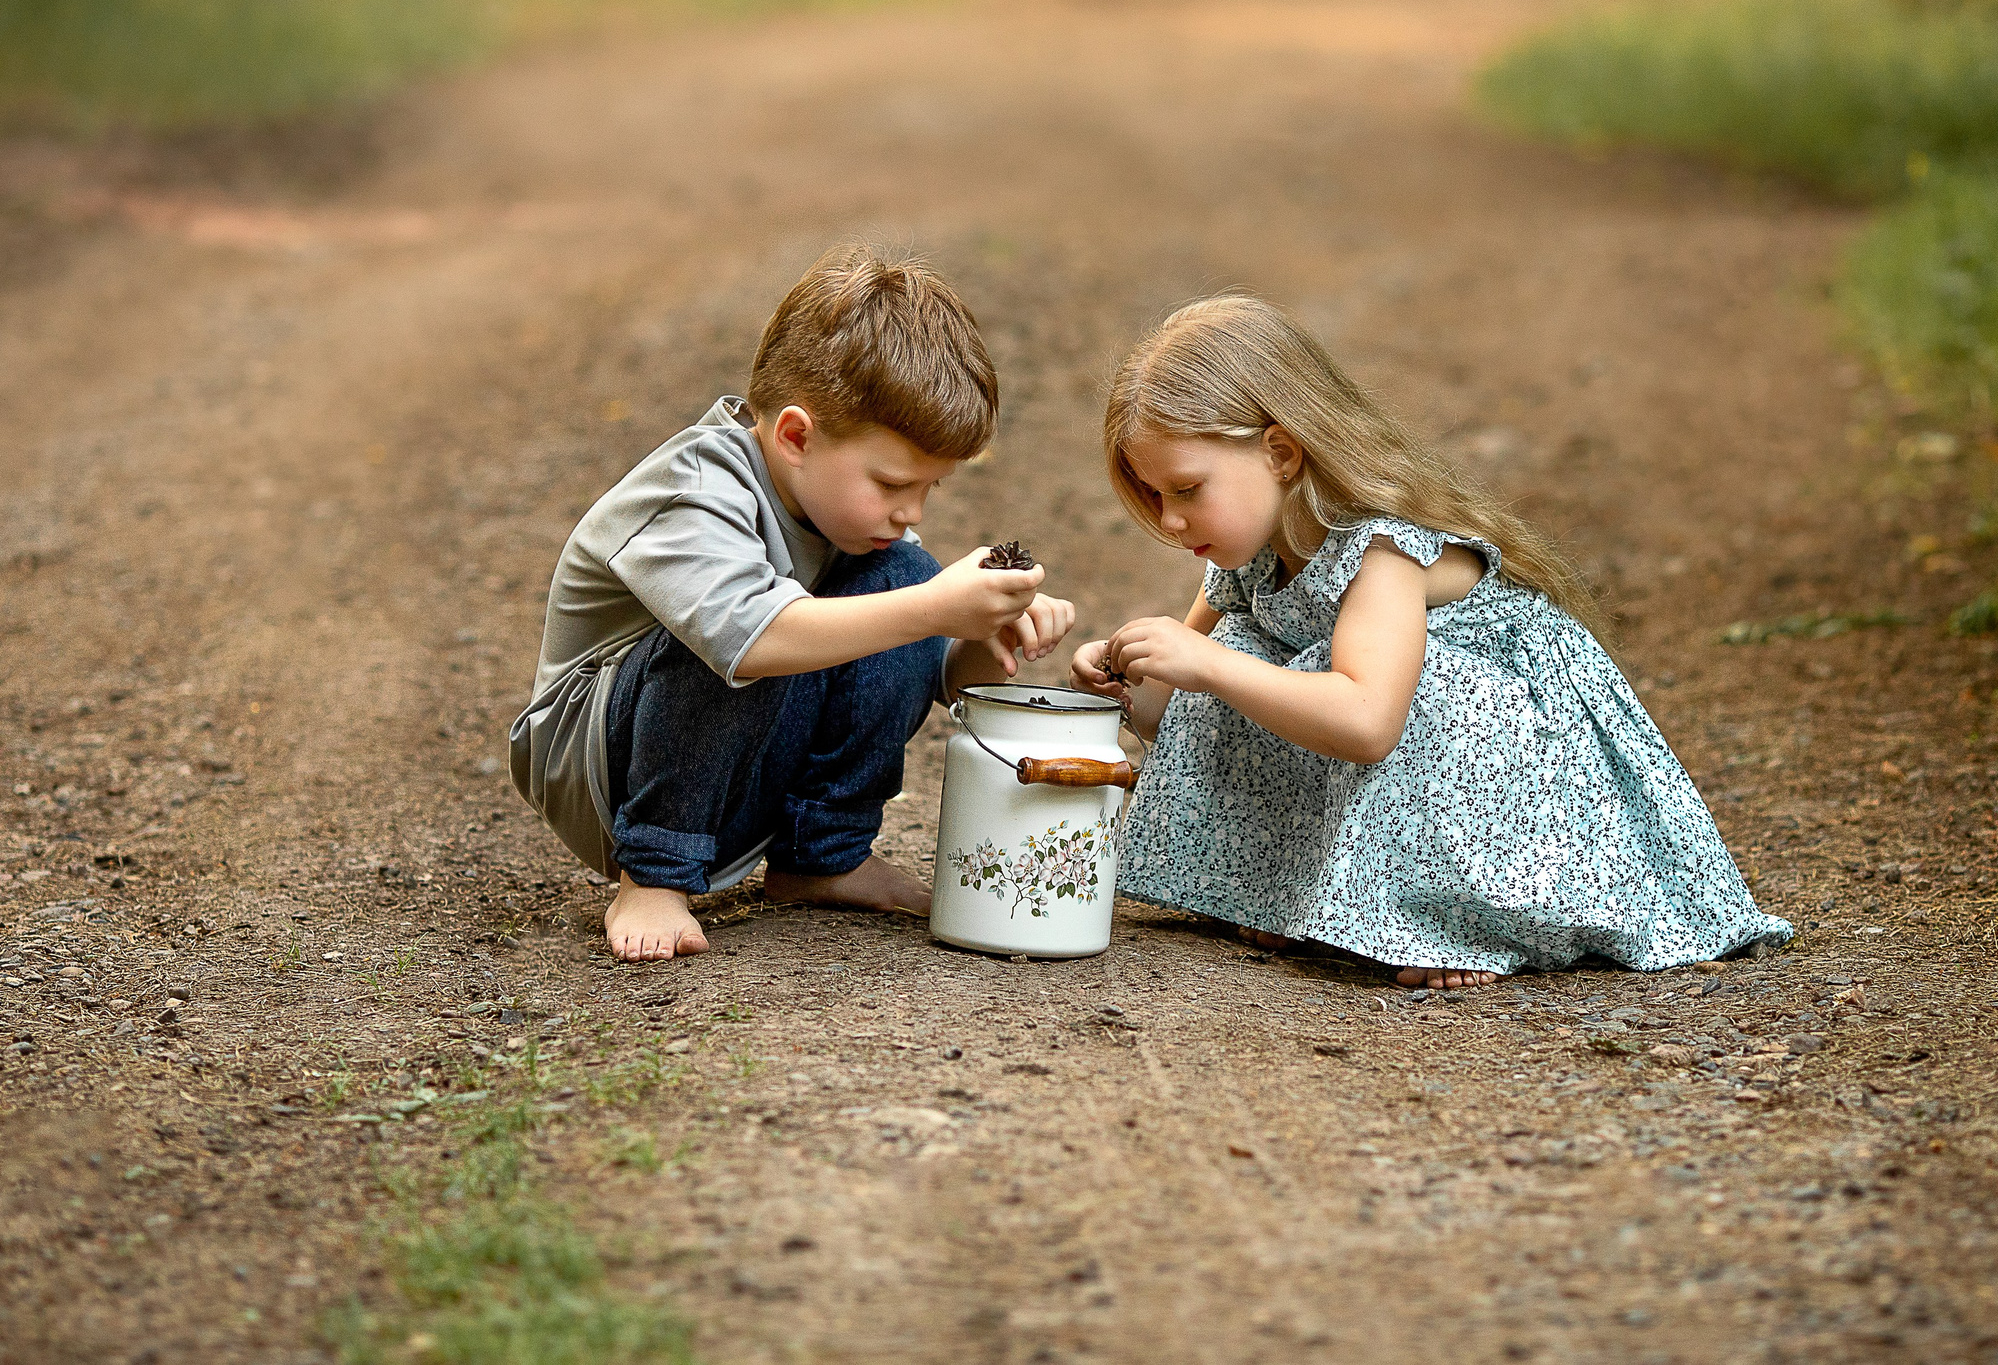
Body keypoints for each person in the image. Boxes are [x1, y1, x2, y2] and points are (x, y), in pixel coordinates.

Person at [1071, 294, 1788, 989]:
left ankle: (1460, 918)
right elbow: (1188, 714)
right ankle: (1294, 893)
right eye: (1153, 495)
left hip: (1522, 777)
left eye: (1187, 490)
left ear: (1281, 453)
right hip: (1402, 739)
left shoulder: (1384, 551)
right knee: (1244, 657)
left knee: (1337, 676)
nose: (1168, 520)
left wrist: (1209, 664)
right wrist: (1131, 682)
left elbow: (1368, 723)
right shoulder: (1246, 557)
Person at [512, 248, 1074, 962]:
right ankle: (651, 876)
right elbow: (752, 640)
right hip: (601, 769)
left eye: (929, 490)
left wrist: (982, 633)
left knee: (899, 575)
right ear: (797, 437)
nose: (911, 510)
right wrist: (934, 606)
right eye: (893, 482)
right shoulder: (693, 492)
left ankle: (821, 857)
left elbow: (937, 680)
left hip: (738, 757)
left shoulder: (844, 517)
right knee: (760, 625)